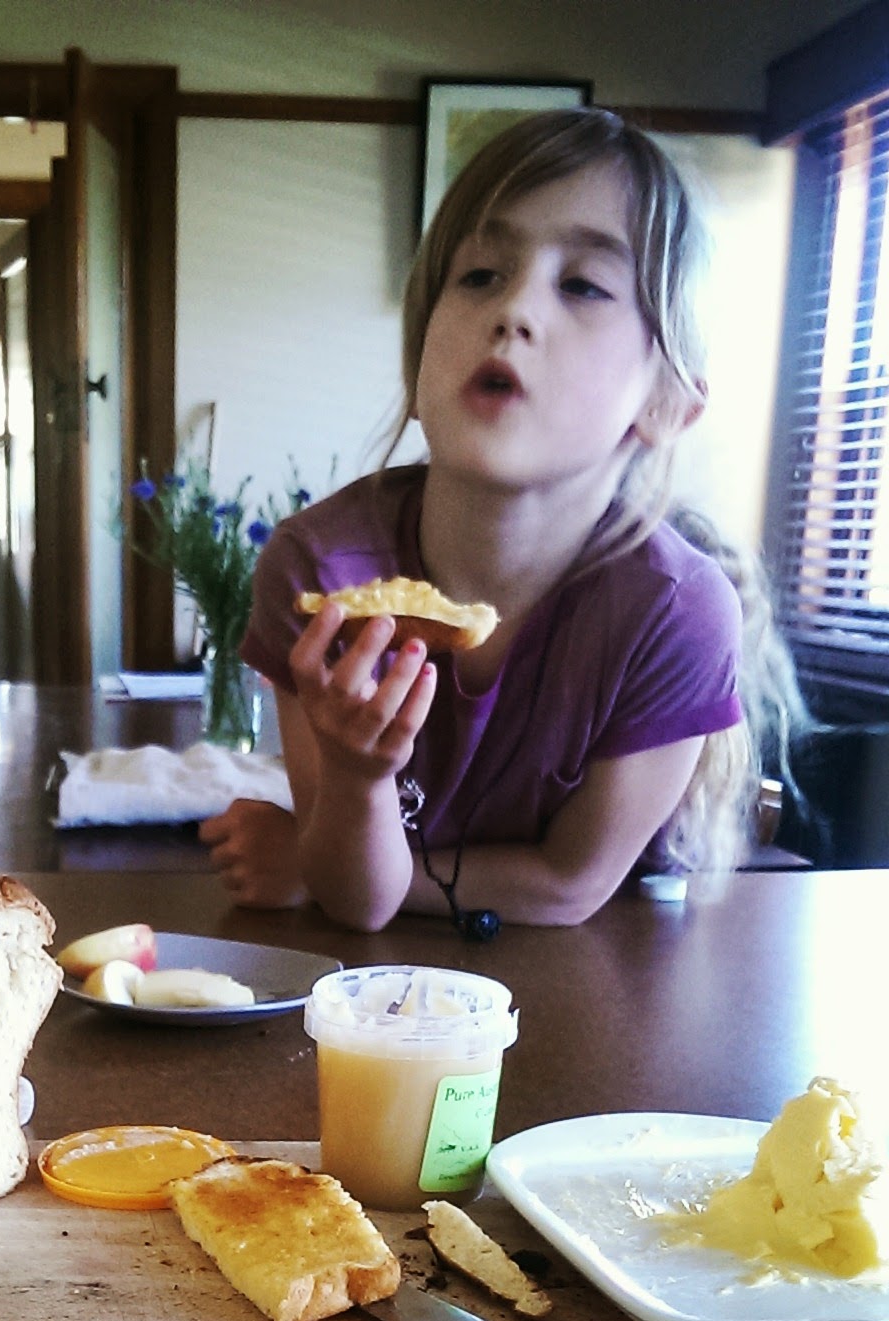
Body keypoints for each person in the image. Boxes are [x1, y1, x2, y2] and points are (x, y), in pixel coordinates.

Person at [201, 107, 784, 932]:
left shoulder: (678, 614)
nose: (515, 310)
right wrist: (359, 785)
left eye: (582, 284)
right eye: (480, 274)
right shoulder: (317, 574)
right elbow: (357, 906)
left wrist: (311, 858)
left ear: (666, 400)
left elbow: (570, 888)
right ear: (419, 352)